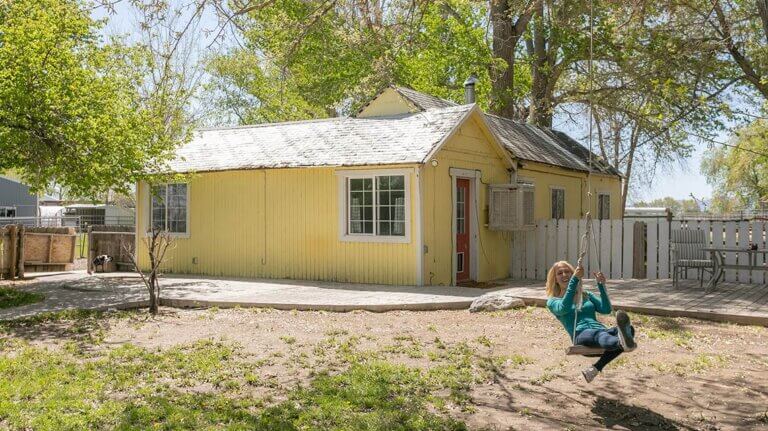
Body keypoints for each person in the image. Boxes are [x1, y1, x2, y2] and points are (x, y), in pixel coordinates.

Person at [546, 261, 636, 383]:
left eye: (567, 272)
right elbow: (564, 307)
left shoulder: (586, 295)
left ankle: (597, 366)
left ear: (573, 273)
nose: (564, 275)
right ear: (555, 279)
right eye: (559, 273)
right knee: (603, 335)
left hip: (599, 330)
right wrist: (574, 280)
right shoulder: (553, 301)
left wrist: (601, 286)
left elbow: (606, 309)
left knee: (629, 329)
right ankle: (621, 343)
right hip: (581, 334)